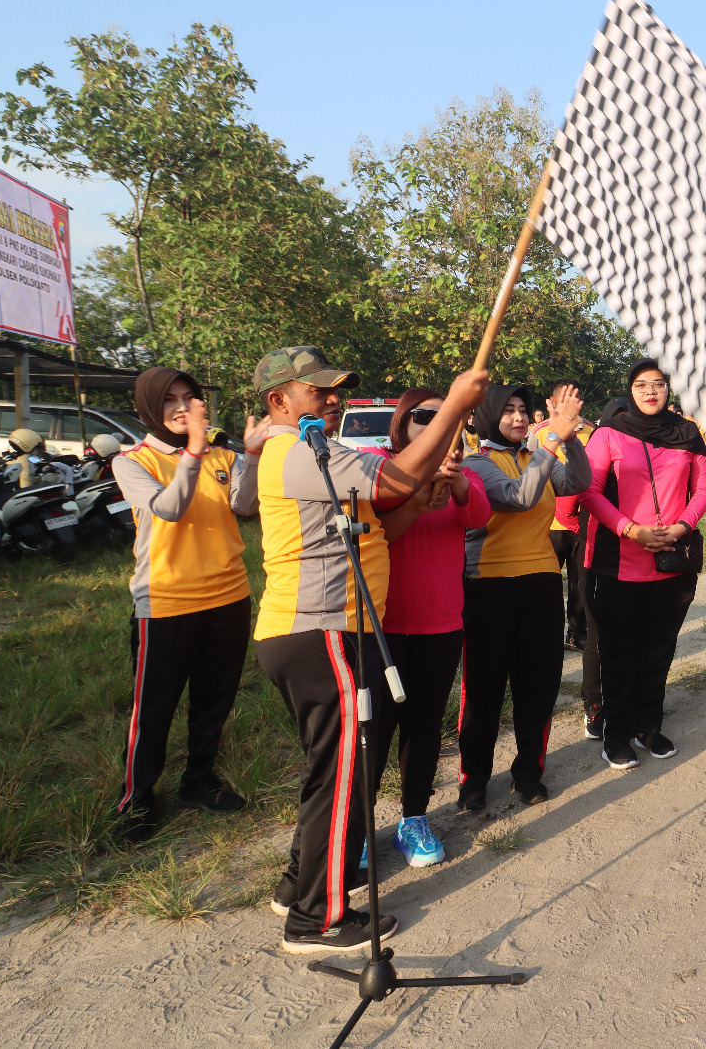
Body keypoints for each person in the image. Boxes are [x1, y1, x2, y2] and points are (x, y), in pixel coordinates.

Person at [248, 346, 487, 955]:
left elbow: (387, 513)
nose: (334, 399)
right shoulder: (293, 452)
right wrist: (455, 405)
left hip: (327, 630)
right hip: (320, 630)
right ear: (279, 401)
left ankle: (297, 884)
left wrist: (418, 502)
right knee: (341, 774)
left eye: (337, 390)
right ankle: (315, 919)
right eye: (318, 391)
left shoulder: (318, 453)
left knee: (328, 768)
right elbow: (399, 477)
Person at [111, 367, 259, 845]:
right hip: (166, 602)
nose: (180, 407)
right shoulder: (132, 461)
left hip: (229, 595)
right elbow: (169, 508)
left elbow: (246, 505)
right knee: (153, 707)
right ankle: (136, 798)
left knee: (214, 700)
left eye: (188, 397)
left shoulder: (223, 454)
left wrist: (251, 457)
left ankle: (198, 780)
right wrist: (194, 450)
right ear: (149, 408)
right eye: (169, 400)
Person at [367, 388, 491, 864]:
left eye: (450, 418)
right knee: (374, 731)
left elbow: (479, 516)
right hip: (380, 624)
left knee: (423, 728)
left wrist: (456, 485)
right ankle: (358, 825)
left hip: (440, 624)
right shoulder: (380, 467)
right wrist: (418, 495)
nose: (438, 425)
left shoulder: (463, 472)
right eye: (425, 417)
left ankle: (413, 818)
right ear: (403, 421)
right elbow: (378, 529)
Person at [458, 381, 588, 809]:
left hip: (541, 584)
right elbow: (519, 497)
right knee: (484, 688)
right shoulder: (476, 463)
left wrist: (570, 438)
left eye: (523, 409)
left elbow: (579, 482)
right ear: (488, 415)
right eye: (508, 409)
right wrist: (554, 437)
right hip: (488, 587)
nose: (518, 417)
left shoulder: (539, 456)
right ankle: (474, 778)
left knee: (539, 683)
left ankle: (529, 772)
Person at [582, 360, 706, 769]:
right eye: (641, 385)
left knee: (659, 648)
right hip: (621, 562)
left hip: (673, 561)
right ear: (630, 390)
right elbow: (589, 491)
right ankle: (617, 733)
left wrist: (681, 527)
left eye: (658, 384)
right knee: (620, 652)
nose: (650, 391)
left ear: (669, 389)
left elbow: (704, 487)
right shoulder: (608, 434)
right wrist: (630, 530)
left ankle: (648, 727)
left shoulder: (687, 433)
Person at [578, 397, 630, 734]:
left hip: (638, 558)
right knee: (598, 635)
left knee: (634, 635)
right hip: (597, 557)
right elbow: (571, 505)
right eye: (620, 421)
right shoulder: (593, 458)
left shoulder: (644, 458)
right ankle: (594, 706)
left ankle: (629, 700)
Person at [545, 379, 590, 651]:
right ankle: (548, 632)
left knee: (579, 582)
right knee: (549, 582)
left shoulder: (594, 432)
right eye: (562, 399)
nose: (568, 404)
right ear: (552, 402)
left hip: (583, 521)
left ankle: (575, 632)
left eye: (573, 398)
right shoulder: (538, 432)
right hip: (549, 523)